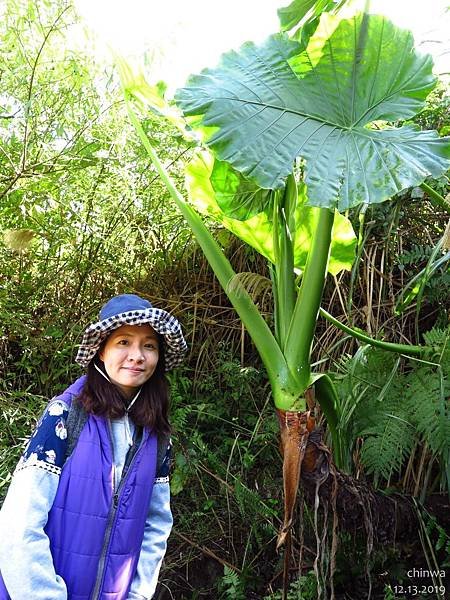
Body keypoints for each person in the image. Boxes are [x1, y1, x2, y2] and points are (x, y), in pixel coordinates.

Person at [0, 293, 187, 600]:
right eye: (123, 342)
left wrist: (138, 594)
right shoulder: (65, 415)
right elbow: (19, 523)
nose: (137, 355)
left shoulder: (156, 435)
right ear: (101, 351)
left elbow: (156, 525)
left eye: (149, 345)